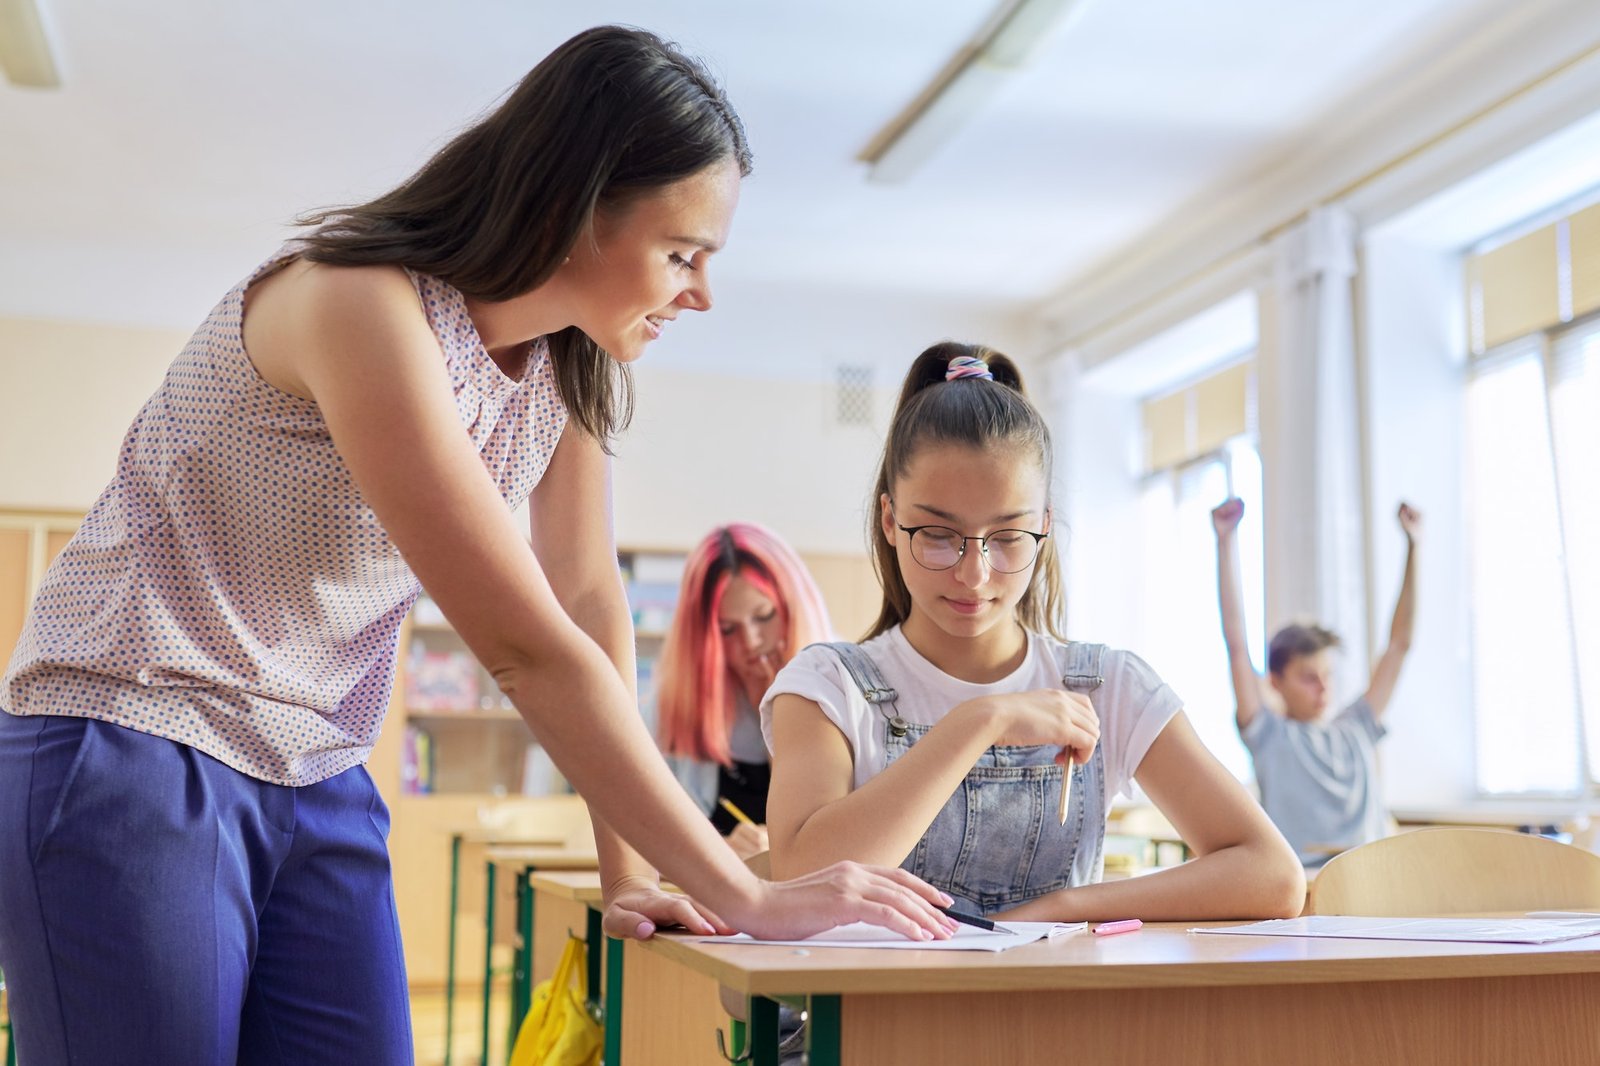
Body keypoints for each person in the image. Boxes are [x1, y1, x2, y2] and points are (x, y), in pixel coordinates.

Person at [0, 26, 955, 1066]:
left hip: (315, 761)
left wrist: (631, 876)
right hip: (133, 736)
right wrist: (748, 895)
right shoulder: (359, 306)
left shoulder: (566, 367)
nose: (700, 293)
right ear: (576, 208)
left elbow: (585, 600)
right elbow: (525, 649)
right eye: (683, 254)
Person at [761, 343, 1306, 923]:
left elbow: (1273, 876)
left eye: (1007, 537)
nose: (974, 574)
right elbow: (801, 875)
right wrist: (981, 722)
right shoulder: (827, 686)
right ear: (890, 520)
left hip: (1058, 984)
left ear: (1044, 527)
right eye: (939, 535)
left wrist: (1065, 906)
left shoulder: (1107, 685)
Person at [1212, 496, 1422, 866]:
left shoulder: (1356, 728)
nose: (1323, 688)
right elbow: (1237, 646)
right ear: (1276, 681)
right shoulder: (1270, 735)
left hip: (1371, 881)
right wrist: (1225, 542)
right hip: (1305, 884)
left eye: (1327, 676)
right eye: (1309, 678)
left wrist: (1413, 547)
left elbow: (1399, 645)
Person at [657, 523, 833, 860]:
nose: (751, 642)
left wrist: (781, 712)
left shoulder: (841, 688)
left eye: (764, 616)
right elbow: (648, 837)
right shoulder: (673, 706)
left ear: (795, 609)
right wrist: (720, 851)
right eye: (727, 629)